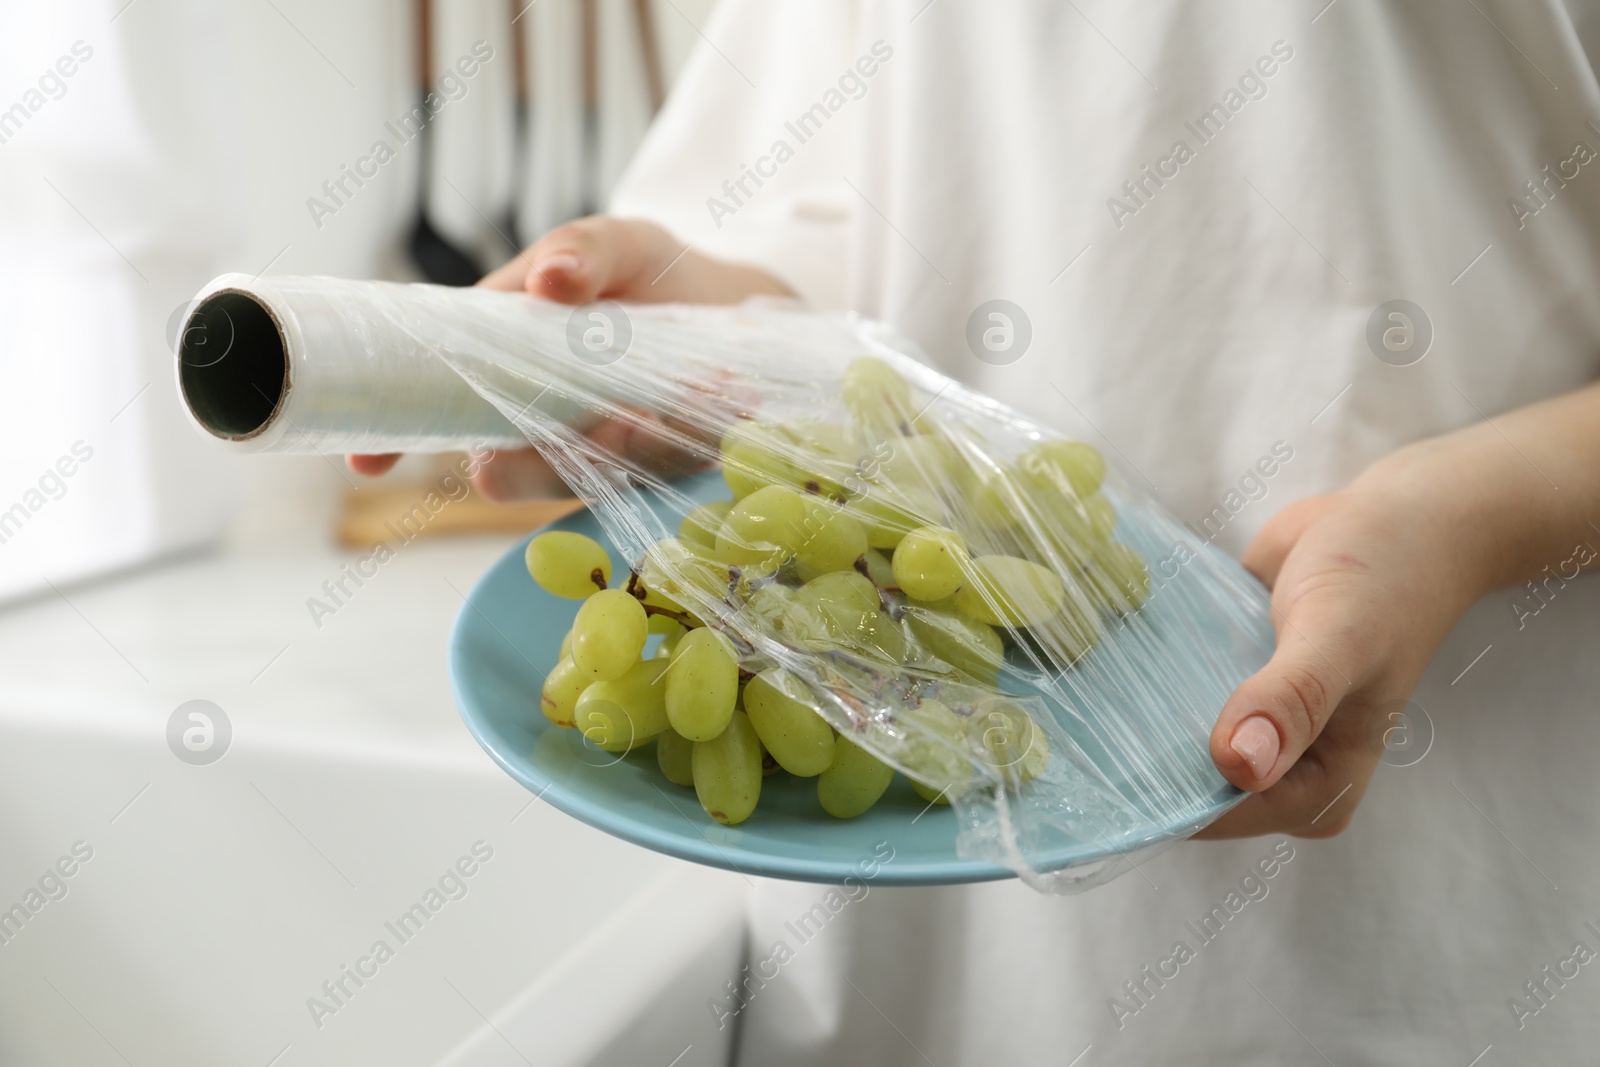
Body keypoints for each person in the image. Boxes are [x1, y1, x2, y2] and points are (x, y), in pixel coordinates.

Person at [358, 2, 1600, 1061]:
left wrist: (1461, 525)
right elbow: (852, 191)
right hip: (901, 908)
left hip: (1429, 889)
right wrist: (703, 317)